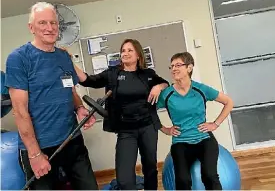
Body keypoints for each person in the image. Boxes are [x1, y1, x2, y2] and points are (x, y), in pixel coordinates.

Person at [5, 2, 99, 190]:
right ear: (31, 27)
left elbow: (71, 91)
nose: (50, 28)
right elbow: (19, 110)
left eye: (53, 23)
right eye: (42, 23)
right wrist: (34, 154)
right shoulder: (19, 58)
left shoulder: (64, 57)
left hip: (72, 140)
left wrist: (79, 108)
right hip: (41, 148)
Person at [72, 38, 169, 190]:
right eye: (123, 50)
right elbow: (87, 80)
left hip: (148, 127)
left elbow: (164, 83)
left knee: (150, 167)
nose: (125, 53)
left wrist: (158, 87)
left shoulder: (147, 74)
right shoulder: (112, 74)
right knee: (124, 177)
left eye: (130, 50)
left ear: (138, 55)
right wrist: (70, 61)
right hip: (126, 131)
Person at [157, 52, 233, 190]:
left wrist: (215, 123)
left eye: (178, 65)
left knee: (209, 176)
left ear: (189, 68)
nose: (173, 69)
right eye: (172, 66)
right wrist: (165, 129)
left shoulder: (200, 89)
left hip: (204, 139)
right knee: (183, 180)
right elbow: (148, 111)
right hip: (180, 142)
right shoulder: (166, 94)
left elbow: (228, 102)